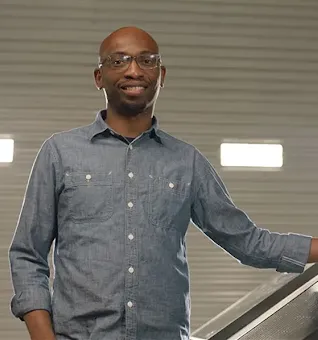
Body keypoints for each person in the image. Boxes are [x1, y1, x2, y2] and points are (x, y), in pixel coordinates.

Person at [8, 26, 318, 340]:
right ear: (98, 77)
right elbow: (27, 254)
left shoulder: (187, 162)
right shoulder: (60, 153)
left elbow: (248, 242)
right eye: (119, 61)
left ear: (162, 75)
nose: (134, 70)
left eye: (147, 61)